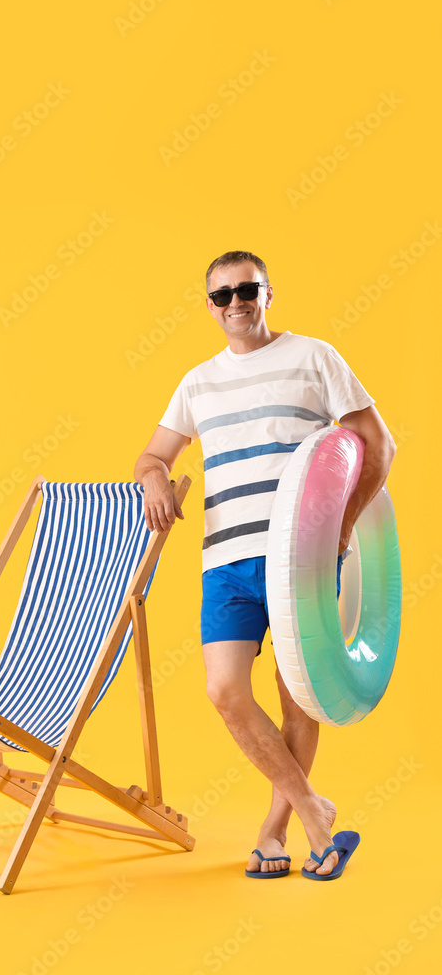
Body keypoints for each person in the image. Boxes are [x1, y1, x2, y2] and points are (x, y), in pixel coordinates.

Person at [133, 250, 396, 878]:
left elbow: (377, 444)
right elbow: (152, 455)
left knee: (295, 698)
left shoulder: (314, 357)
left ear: (268, 293)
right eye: (222, 295)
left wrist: (344, 522)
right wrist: (154, 481)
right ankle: (315, 810)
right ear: (210, 306)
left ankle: (275, 832)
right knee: (225, 691)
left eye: (246, 289)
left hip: (299, 559)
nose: (235, 303)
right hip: (225, 559)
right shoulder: (197, 381)